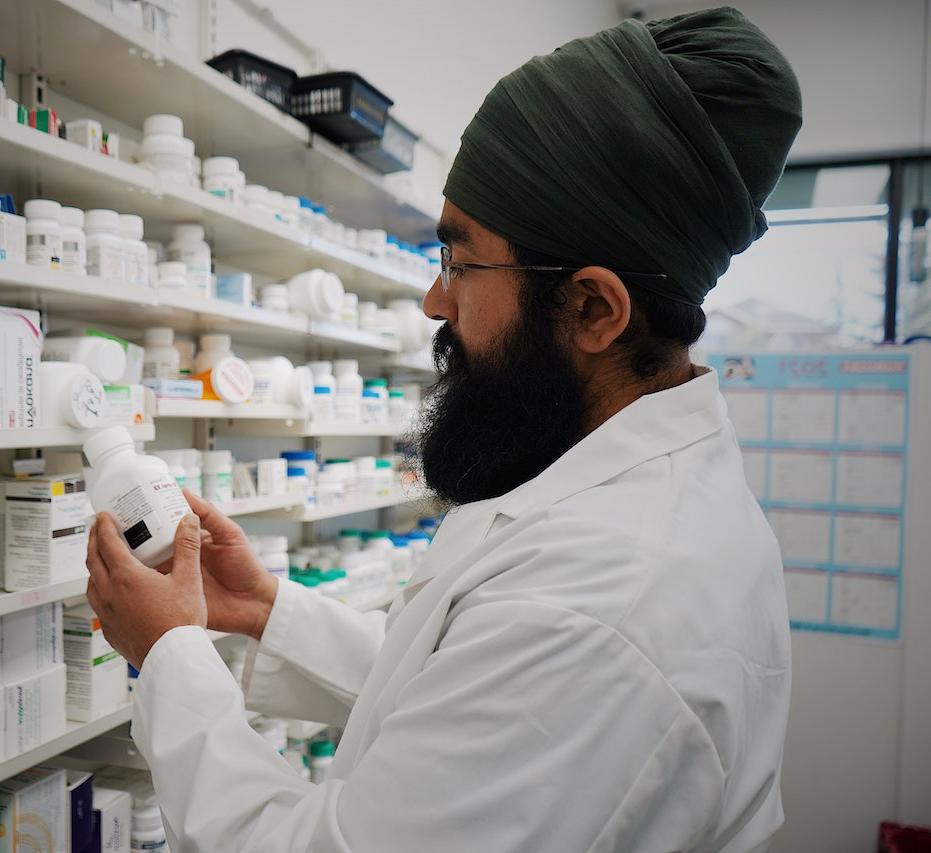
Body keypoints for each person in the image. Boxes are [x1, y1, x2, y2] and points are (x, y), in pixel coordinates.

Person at [86, 6, 802, 851]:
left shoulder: (605, 601)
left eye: (461, 262)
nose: (435, 299)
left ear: (593, 307)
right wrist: (264, 609)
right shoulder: (607, 494)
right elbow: (463, 701)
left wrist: (168, 652)